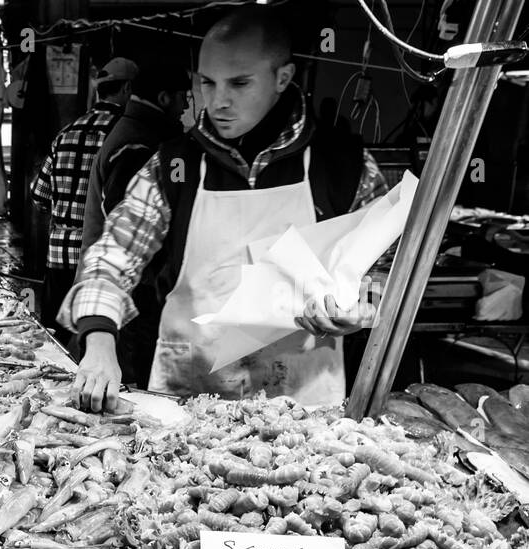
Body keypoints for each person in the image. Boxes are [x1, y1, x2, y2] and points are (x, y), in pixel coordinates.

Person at [61, 5, 389, 411]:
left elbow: (386, 272)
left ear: (282, 78)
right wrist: (99, 341)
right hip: (188, 407)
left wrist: (360, 307)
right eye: (208, 83)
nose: (219, 102)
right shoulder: (172, 168)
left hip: (306, 421)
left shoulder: (345, 167)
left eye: (239, 84)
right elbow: (110, 259)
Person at [79, 61, 192, 387]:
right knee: (129, 387)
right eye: (185, 96)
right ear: (164, 97)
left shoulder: (139, 133)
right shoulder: (138, 143)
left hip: (135, 298)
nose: (188, 105)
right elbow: (124, 230)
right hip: (132, 300)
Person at [30, 56, 138, 331]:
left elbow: (39, 195)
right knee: (98, 336)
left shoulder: (65, 134)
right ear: (127, 90)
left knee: (56, 341)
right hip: (99, 257)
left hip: (59, 252)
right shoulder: (124, 136)